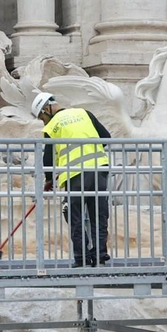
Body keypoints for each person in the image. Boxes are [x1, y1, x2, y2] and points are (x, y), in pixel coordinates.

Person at [32, 90, 112, 267]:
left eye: (41, 117)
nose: (42, 121)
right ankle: (99, 254)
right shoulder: (84, 113)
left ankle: (82, 257)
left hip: (75, 176)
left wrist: (49, 179)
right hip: (99, 170)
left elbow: (49, 157)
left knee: (73, 215)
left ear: (46, 109)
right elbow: (106, 138)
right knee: (98, 213)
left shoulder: (52, 127)